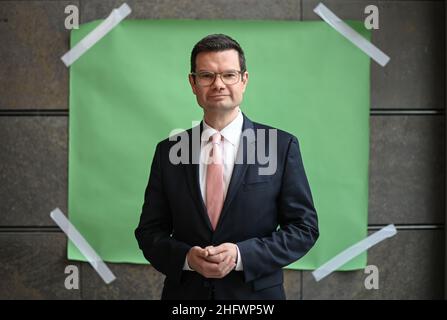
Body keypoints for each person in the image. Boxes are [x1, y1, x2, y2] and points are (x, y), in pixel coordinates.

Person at [135, 34, 319, 300]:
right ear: (193, 83)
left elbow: (304, 229)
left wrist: (240, 256)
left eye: (229, 75)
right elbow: (149, 232)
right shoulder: (168, 151)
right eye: (207, 75)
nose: (218, 84)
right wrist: (186, 258)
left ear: (244, 80)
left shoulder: (281, 146)